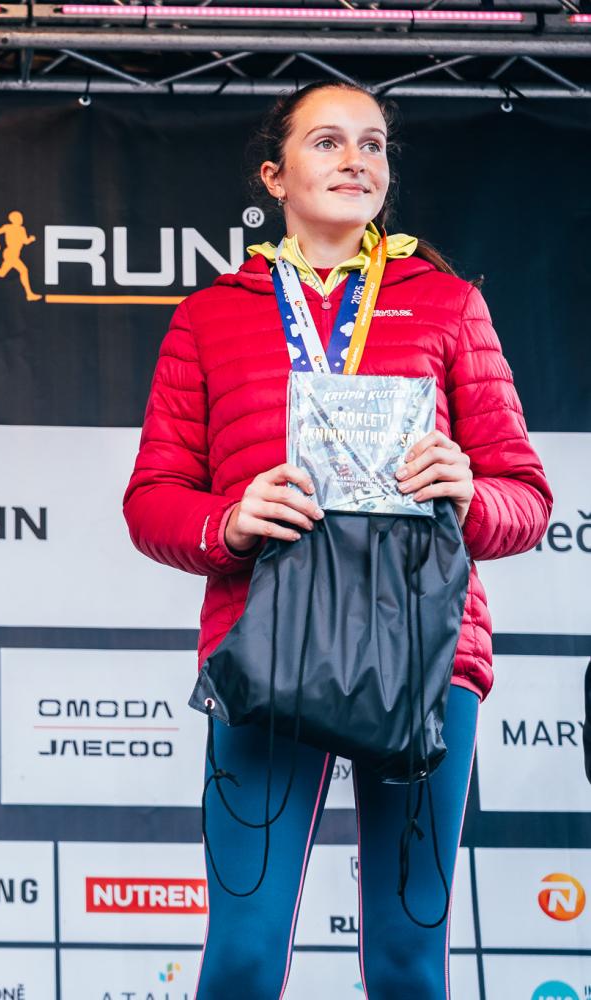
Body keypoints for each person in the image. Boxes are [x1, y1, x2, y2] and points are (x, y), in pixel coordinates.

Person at [122, 83, 551, 998]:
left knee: (406, 959)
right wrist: (229, 521)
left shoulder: (446, 305)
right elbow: (152, 503)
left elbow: (524, 498)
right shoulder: (209, 315)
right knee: (243, 953)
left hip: (424, 655)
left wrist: (467, 492)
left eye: (372, 143)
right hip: (266, 649)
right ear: (273, 175)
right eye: (326, 142)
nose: (355, 159)